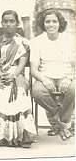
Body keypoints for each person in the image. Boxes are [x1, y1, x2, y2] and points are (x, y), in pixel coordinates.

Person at [0, 10, 36, 147]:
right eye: (5, 21)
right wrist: (1, 74)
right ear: (1, 23)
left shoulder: (23, 42)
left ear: (17, 24)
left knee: (20, 89)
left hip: (16, 73)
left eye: (12, 21)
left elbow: (22, 62)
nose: (8, 24)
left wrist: (14, 75)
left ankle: (22, 136)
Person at [30, 9, 75, 141]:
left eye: (54, 21)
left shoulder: (69, 40)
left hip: (66, 75)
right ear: (43, 24)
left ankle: (60, 123)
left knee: (73, 89)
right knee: (37, 92)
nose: (51, 24)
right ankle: (62, 125)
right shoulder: (37, 42)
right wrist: (44, 79)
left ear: (59, 23)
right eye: (47, 21)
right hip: (45, 76)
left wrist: (69, 78)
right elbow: (34, 70)